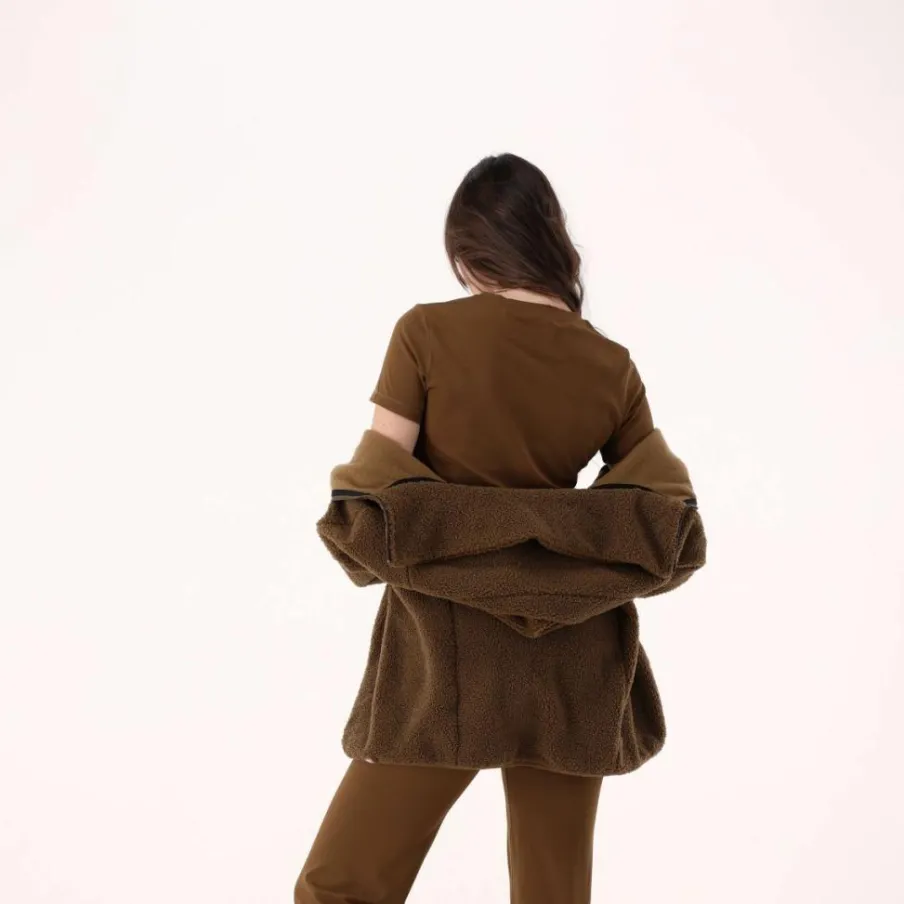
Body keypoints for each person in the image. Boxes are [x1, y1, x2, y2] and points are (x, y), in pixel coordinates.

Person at [296, 153, 658, 904]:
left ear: (467, 250)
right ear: (550, 239)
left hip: (447, 659)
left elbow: (376, 497)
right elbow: (654, 515)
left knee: (342, 886)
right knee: (554, 895)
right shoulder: (612, 365)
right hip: (575, 663)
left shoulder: (425, 333)